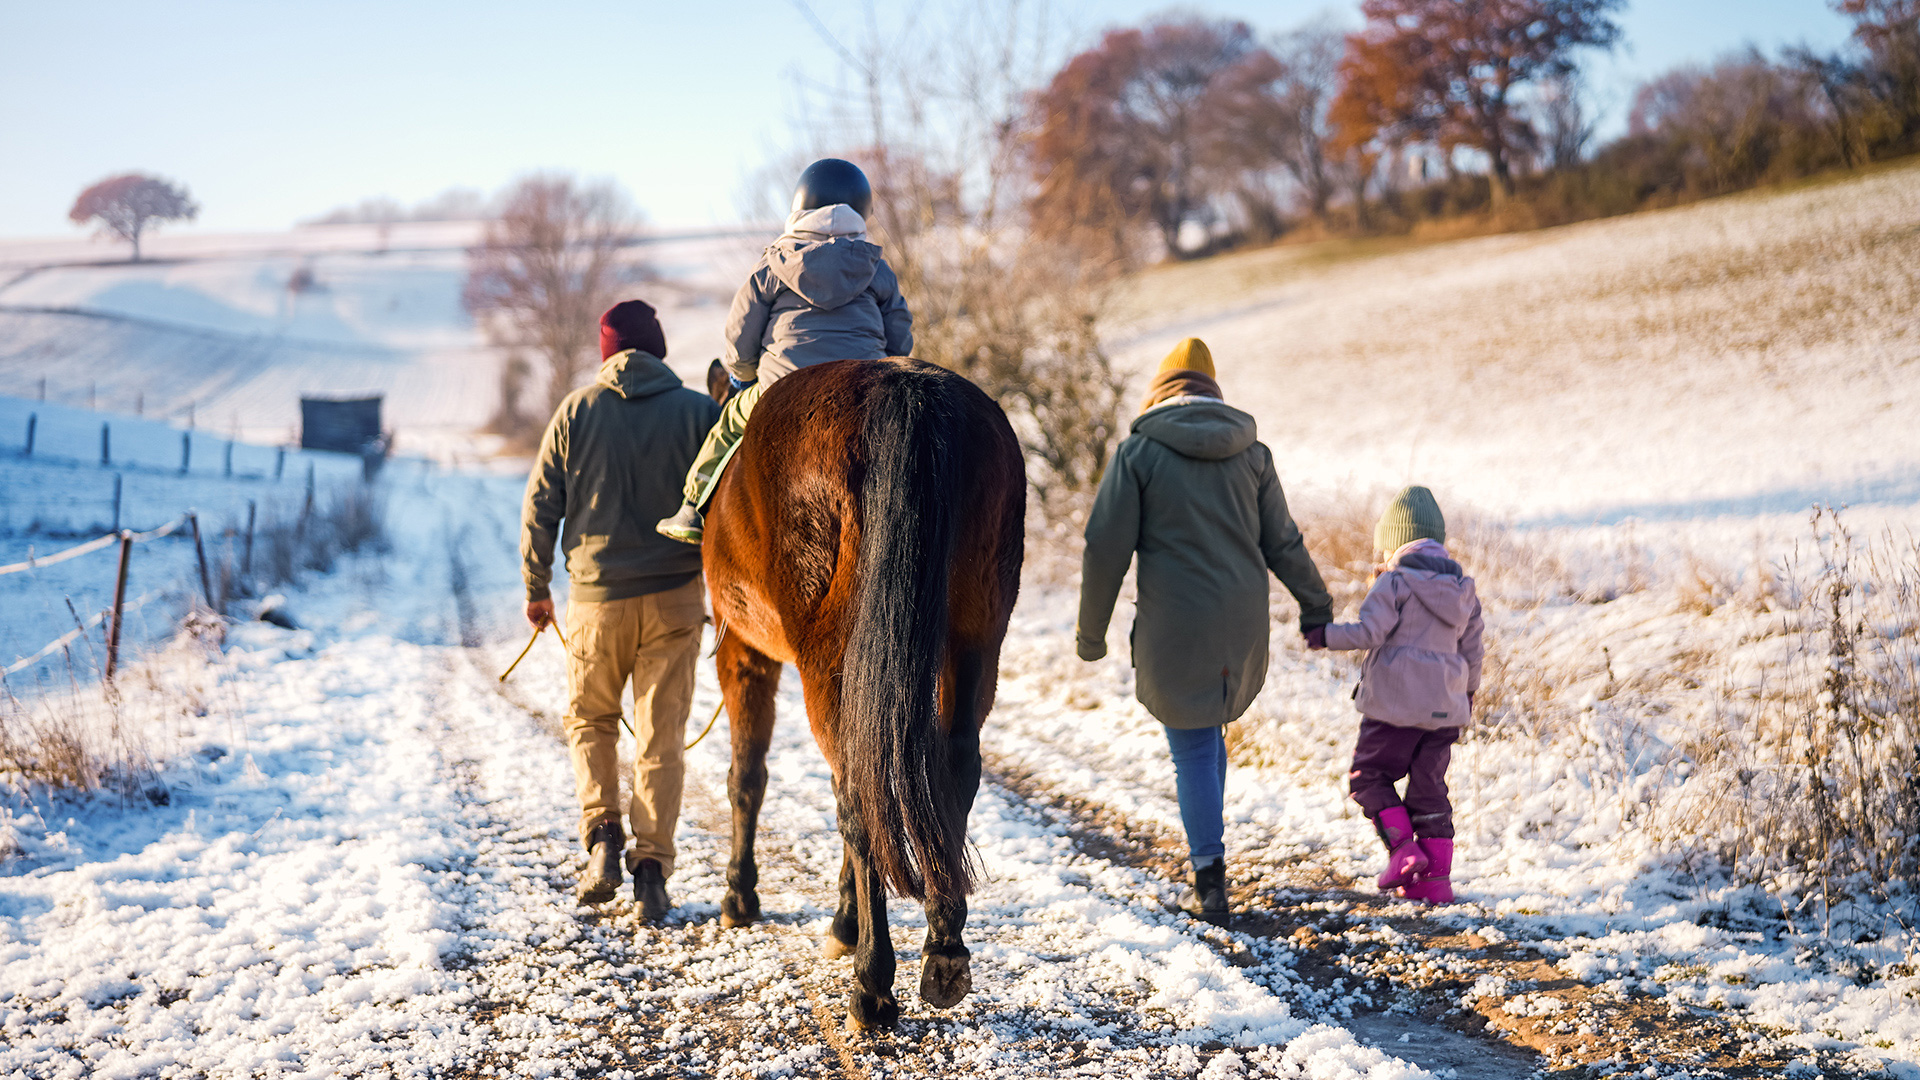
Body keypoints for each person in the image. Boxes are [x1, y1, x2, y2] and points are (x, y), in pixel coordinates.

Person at [1076, 338, 1333, 925]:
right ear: (1212, 390)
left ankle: (1208, 877)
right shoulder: (1253, 454)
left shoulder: (1138, 453)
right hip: (1240, 624)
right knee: (1209, 729)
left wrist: (1091, 634)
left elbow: (1104, 547)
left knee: (1191, 744)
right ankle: (1210, 855)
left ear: (1160, 391)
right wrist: (1316, 605)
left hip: (1175, 626)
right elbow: (1284, 542)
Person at [522, 299, 722, 920]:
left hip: (594, 602)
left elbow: (540, 507)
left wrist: (536, 587)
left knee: (591, 722)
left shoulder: (575, 412)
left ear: (608, 350)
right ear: (657, 347)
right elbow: (728, 505)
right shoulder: (699, 413)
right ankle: (653, 871)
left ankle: (604, 839)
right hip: (674, 600)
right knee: (662, 737)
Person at [656, 158, 912, 543]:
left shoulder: (776, 261)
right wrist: (887, 366)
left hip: (784, 384)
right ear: (861, 210)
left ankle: (692, 507)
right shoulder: (875, 266)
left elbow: (741, 329)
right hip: (864, 385)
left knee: (729, 425)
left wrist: (743, 376)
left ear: (800, 206)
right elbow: (900, 336)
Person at [1306, 485, 1483, 905]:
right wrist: (1467, 696)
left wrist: (1324, 635)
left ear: (1392, 544)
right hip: (1446, 709)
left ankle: (1403, 853)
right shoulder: (1463, 589)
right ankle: (1435, 883)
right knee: (1429, 788)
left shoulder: (1395, 582)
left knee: (1368, 777)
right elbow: (1473, 652)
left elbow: (1369, 633)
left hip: (1394, 706)